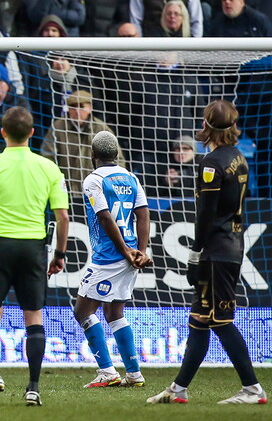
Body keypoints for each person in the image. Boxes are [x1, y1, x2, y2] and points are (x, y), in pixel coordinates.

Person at [148, 100, 267, 405]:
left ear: (209, 125)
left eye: (203, 122)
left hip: (215, 250)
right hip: (232, 246)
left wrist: (194, 253)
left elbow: (207, 214)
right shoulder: (239, 158)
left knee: (220, 320)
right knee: (200, 320)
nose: (201, 126)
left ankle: (253, 389)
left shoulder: (212, 163)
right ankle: (178, 389)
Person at [0, 106, 70, 407]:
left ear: (2, 133)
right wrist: (59, 253)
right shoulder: (48, 167)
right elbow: (62, 217)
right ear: (32, 133)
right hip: (33, 247)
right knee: (33, 318)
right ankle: (33, 387)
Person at [75, 131, 151, 389]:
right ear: (116, 154)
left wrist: (125, 251)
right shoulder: (131, 177)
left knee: (83, 311)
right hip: (130, 254)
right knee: (114, 311)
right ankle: (134, 373)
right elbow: (143, 215)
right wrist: (139, 250)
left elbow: (105, 217)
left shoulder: (93, 180)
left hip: (109, 256)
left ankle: (107, 371)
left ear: (93, 155)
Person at [41, 90, 122, 195]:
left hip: (98, 191)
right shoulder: (58, 127)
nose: (77, 111)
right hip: (65, 190)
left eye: (81, 106)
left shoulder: (101, 129)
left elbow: (118, 159)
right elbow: (48, 157)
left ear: (89, 108)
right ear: (68, 109)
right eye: (73, 107)